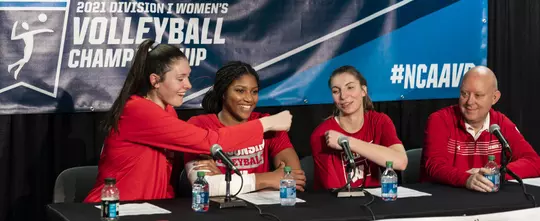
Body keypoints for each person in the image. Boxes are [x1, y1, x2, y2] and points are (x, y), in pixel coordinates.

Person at [84, 40, 292, 202]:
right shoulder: (138, 110)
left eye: (188, 77)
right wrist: (267, 124)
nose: (188, 85)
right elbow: (211, 140)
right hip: (115, 210)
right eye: (180, 78)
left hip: (151, 209)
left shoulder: (168, 112)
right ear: (155, 80)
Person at [184, 61, 306, 196]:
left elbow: (294, 180)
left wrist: (227, 181)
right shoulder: (200, 125)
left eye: (254, 92)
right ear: (223, 93)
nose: (249, 98)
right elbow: (207, 186)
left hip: (263, 211)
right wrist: (270, 179)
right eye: (240, 91)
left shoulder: (270, 124)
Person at [421, 66, 540, 192]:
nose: (470, 102)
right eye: (464, 94)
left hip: (487, 198)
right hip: (444, 199)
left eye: (478, 95)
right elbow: (435, 166)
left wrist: (496, 173)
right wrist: (467, 179)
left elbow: (534, 162)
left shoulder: (501, 123)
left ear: (494, 98)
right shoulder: (440, 120)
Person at [310, 65, 407, 190]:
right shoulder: (322, 134)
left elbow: (400, 162)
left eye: (350, 87)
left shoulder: (379, 121)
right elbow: (335, 189)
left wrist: (348, 142)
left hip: (374, 203)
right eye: (336, 91)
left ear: (363, 91)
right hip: (338, 204)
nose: (343, 96)